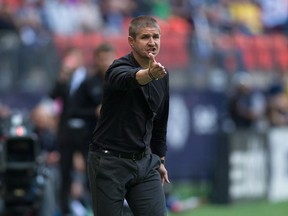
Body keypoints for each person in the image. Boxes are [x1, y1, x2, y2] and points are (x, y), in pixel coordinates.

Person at [87, 15, 170, 216]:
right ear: (131, 41)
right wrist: (148, 74)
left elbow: (160, 122)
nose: (152, 42)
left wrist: (160, 160)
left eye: (156, 37)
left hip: (144, 162)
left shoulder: (162, 75)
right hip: (110, 162)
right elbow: (128, 79)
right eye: (145, 37)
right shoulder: (117, 68)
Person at [49, 47, 88, 215]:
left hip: (86, 133)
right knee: (65, 173)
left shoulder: (89, 78)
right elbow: (52, 96)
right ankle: (65, 208)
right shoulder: (65, 80)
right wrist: (62, 78)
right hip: (66, 134)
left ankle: (93, 206)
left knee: (92, 171)